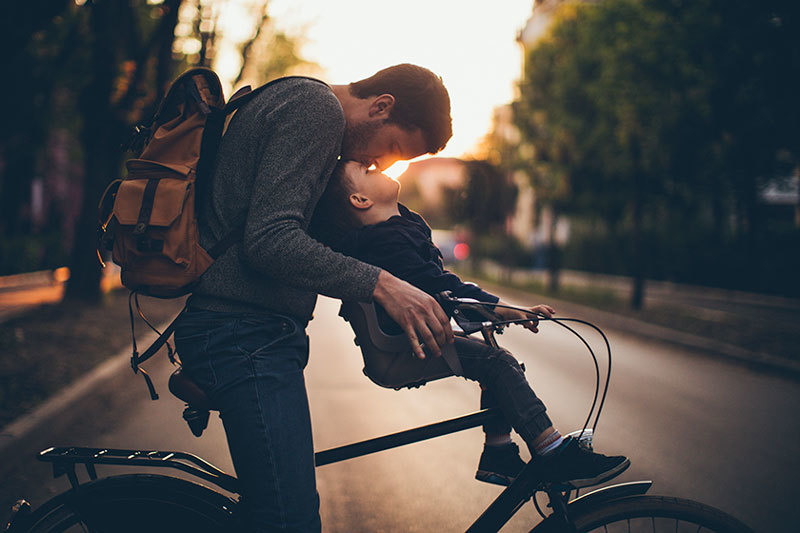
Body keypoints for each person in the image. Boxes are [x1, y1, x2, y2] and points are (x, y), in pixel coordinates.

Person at [174, 64, 457, 533]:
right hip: (242, 336)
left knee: (276, 510)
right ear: (381, 106)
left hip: (254, 335)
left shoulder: (306, 110)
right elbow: (271, 241)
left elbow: (295, 240)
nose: (381, 166)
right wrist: (382, 284)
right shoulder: (315, 110)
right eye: (391, 150)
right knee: (288, 520)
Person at [310, 160, 630, 488]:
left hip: (409, 342)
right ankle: (551, 450)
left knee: (500, 364)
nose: (376, 165)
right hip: (400, 350)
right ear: (360, 200)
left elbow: (438, 284)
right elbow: (440, 287)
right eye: (366, 170)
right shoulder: (384, 241)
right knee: (499, 364)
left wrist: (498, 309)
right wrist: (502, 309)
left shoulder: (395, 231)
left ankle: (499, 453)